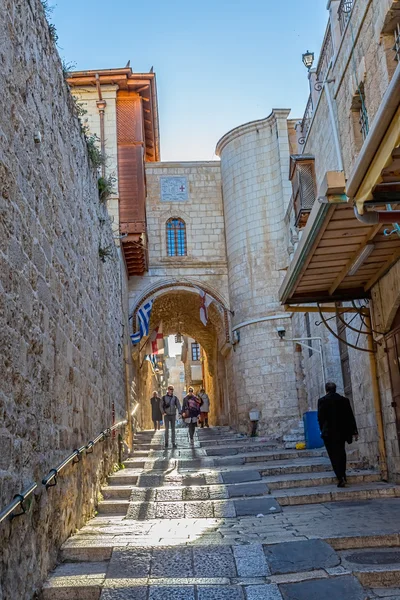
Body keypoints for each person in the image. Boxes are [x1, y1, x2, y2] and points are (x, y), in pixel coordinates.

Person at [317, 381, 358, 488]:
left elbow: (320, 418)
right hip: (342, 432)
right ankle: (343, 474)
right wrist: (354, 431)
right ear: (335, 389)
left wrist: (322, 430)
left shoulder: (322, 401)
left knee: (333, 455)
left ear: (326, 390)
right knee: (341, 453)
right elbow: (350, 416)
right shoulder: (344, 400)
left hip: (329, 433)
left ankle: (340, 477)